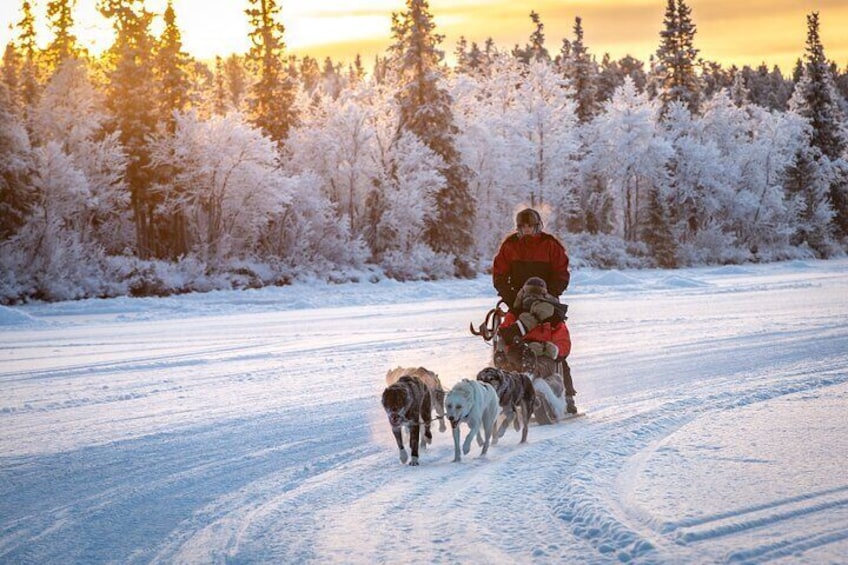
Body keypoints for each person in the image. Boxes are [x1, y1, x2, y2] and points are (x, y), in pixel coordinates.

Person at [492, 208, 577, 413]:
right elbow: (500, 274)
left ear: (537, 226)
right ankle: (503, 390)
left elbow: (561, 273)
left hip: (546, 302)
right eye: (523, 227)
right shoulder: (510, 246)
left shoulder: (550, 245)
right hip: (518, 302)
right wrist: (512, 298)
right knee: (507, 339)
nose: (527, 230)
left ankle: (568, 395)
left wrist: (550, 295)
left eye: (530, 226)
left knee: (555, 340)